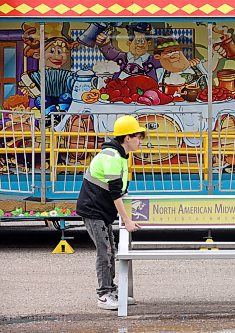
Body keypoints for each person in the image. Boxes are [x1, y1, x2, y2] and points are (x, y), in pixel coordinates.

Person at [76, 115, 144, 310]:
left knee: (111, 250)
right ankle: (104, 294)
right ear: (127, 138)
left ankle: (112, 290)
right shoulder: (113, 157)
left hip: (101, 210)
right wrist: (127, 220)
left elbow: (119, 188)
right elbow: (115, 193)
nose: (141, 141)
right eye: (138, 136)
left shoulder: (121, 155)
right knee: (104, 251)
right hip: (93, 209)